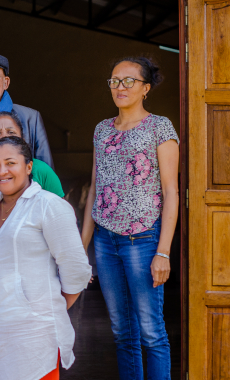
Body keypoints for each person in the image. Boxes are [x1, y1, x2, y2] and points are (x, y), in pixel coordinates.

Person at [80, 57, 178, 380]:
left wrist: (163, 251)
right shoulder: (101, 130)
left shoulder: (159, 126)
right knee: (123, 332)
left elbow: (171, 192)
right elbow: (94, 189)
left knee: (152, 332)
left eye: (128, 81)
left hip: (143, 239)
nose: (119, 87)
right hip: (106, 241)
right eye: (114, 81)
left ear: (145, 88)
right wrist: (83, 247)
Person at [0, 136, 91, 380]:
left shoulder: (49, 206)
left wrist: (45, 308)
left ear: (29, 167)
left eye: (10, 163)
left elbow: (77, 269)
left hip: (35, 334)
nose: (2, 171)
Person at [0, 111, 64, 205]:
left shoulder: (41, 170)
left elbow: (60, 213)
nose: (4, 136)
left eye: (11, 132)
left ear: (22, 140)